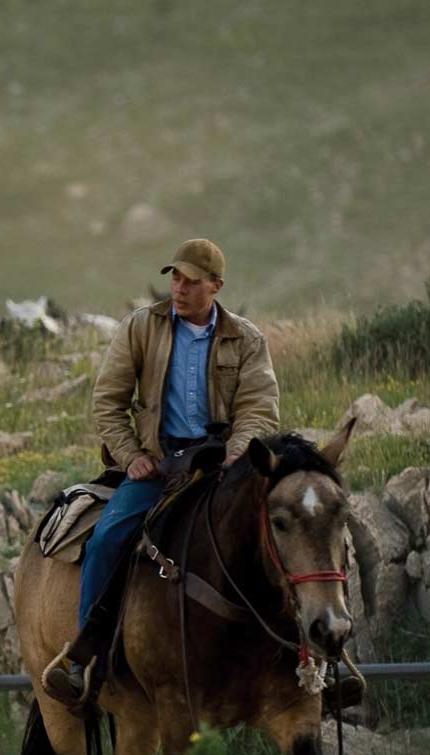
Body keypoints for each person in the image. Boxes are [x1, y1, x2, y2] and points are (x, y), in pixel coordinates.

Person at [41, 238, 281, 704]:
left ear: (216, 286)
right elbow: (107, 402)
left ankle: (311, 661)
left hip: (222, 466)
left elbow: (258, 406)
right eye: (175, 277)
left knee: (288, 532)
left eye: (191, 281)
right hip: (158, 467)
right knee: (108, 537)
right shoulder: (140, 328)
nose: (179, 287)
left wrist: (238, 451)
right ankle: (85, 657)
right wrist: (131, 454)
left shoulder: (247, 338)